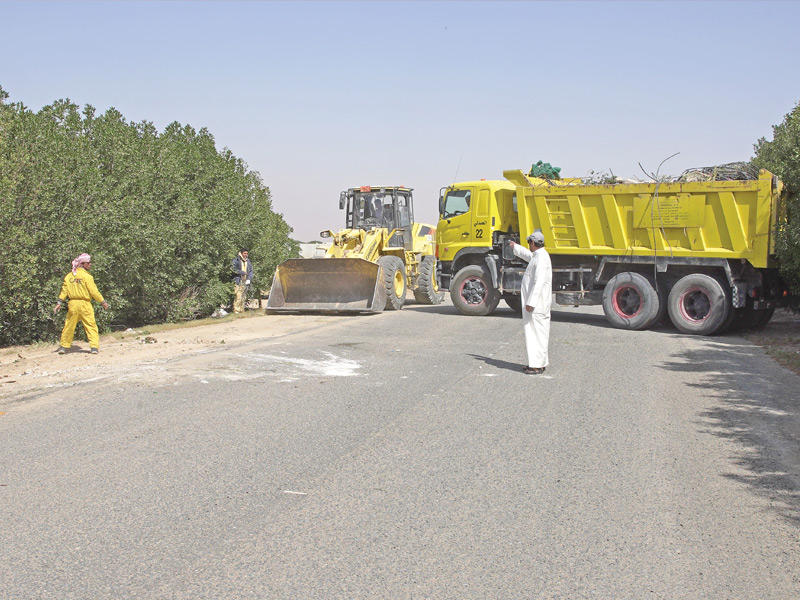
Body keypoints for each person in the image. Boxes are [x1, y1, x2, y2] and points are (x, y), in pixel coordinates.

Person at [509, 231, 552, 374]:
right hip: (538, 304)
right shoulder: (539, 255)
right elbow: (529, 256)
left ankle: (536, 366)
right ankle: (538, 363)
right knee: (537, 333)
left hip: (537, 305)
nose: (529, 245)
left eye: (529, 243)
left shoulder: (541, 258)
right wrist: (516, 247)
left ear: (533, 243)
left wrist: (531, 302)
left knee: (536, 334)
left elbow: (539, 282)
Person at [54, 253, 109, 354]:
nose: (90, 264)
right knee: (90, 325)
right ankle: (94, 347)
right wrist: (102, 301)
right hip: (85, 303)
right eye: (88, 263)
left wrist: (59, 302)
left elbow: (64, 291)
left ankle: (63, 347)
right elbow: (94, 291)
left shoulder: (69, 276)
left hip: (73, 304)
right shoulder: (87, 276)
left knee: (69, 325)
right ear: (82, 264)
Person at [231, 248, 253, 313]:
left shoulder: (248, 261)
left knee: (243, 296)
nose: (246, 255)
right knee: (238, 296)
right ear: (241, 253)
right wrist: (242, 272)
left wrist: (249, 279)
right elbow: (233, 269)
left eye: (247, 253)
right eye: (244, 253)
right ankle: (236, 310)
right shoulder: (236, 260)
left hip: (245, 281)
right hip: (238, 280)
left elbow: (251, 270)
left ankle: (241, 310)